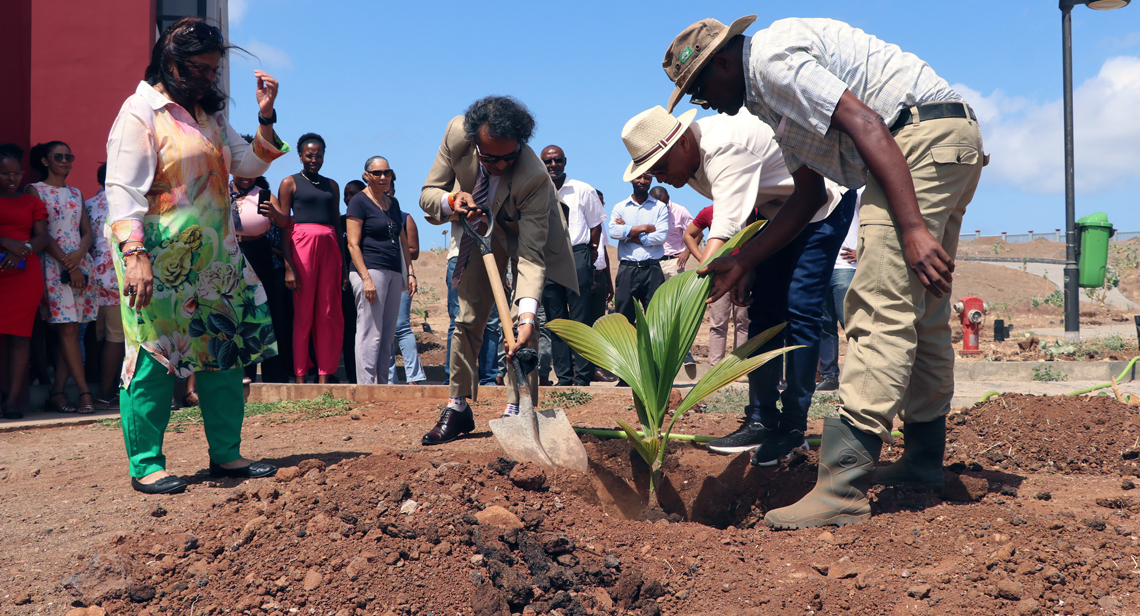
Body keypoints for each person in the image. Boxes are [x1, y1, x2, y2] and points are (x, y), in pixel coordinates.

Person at [662, 16, 985, 528]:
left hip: (914, 140)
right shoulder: (766, 99)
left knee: (879, 307)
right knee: (920, 312)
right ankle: (923, 460)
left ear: (724, 61)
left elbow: (868, 124)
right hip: (943, 138)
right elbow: (807, 195)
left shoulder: (770, 64)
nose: (703, 103)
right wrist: (744, 259)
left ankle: (842, 486)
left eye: (700, 88)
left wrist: (911, 227)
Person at [105, 17, 287, 494]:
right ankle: (146, 463)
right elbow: (122, 190)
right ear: (172, 63)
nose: (210, 78)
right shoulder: (140, 111)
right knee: (152, 356)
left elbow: (246, 164)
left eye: (214, 70)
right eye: (201, 69)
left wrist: (265, 116)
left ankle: (226, 455)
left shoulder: (208, 115)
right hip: (159, 262)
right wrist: (135, 254)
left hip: (215, 263)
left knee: (222, 354)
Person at [620, 106, 853, 464]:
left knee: (800, 309)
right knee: (762, 311)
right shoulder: (691, 159)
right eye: (652, 172)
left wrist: (694, 291)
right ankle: (760, 418)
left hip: (822, 205)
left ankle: (792, 427)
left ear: (683, 143)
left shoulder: (723, 146)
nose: (660, 178)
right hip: (777, 212)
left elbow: (725, 224)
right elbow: (744, 207)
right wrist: (747, 265)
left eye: (661, 168)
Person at [418, 95, 576, 444]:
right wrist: (451, 201)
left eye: (509, 157)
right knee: (467, 319)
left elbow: (532, 256)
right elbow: (428, 194)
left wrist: (528, 315)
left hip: (523, 234)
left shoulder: (534, 176)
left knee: (523, 324)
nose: (501, 166)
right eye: (490, 158)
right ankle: (457, 406)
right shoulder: (456, 134)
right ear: (474, 142)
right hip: (477, 229)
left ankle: (519, 407)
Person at [28, 141, 98, 414]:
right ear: (45, 161)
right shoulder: (35, 190)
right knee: (67, 329)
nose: (66, 161)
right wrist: (70, 266)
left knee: (73, 329)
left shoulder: (75, 192)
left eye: (70, 156)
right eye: (59, 156)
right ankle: (84, 392)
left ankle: (57, 393)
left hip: (80, 264)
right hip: (54, 266)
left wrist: (80, 255)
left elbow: (87, 231)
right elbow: (42, 233)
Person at [276, 133, 344, 384]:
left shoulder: (332, 185)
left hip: (330, 247)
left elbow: (337, 223)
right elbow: (284, 225)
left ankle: (325, 374)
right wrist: (288, 266)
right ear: (301, 156)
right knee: (303, 314)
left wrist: (344, 265)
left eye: (319, 155)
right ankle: (301, 376)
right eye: (309, 155)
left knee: (328, 313)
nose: (314, 159)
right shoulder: (289, 182)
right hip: (301, 246)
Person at [345, 156, 416, 384]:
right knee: (370, 332)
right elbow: (352, 244)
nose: (383, 177)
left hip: (394, 271)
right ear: (367, 175)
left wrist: (411, 272)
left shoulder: (392, 204)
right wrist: (366, 279)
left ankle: (382, 385)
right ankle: (366, 386)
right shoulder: (358, 201)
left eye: (387, 172)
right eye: (378, 173)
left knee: (387, 335)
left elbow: (403, 240)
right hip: (370, 270)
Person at [538, 145, 604, 386]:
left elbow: (596, 224)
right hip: (549, 259)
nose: (552, 165)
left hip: (577, 255)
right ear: (542, 163)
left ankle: (583, 376)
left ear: (565, 162)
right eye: (547, 161)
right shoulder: (537, 190)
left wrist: (591, 253)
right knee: (556, 322)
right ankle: (564, 377)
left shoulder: (583, 189)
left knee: (579, 319)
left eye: (557, 161)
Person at [231, 151, 292, 384]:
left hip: (259, 254)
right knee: (237, 312)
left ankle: (273, 374)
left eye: (252, 171)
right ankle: (241, 371)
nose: (248, 176)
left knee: (265, 311)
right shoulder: (220, 190)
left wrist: (275, 213)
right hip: (230, 254)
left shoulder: (264, 194)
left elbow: (285, 222)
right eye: (243, 170)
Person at [0, 144, 49, 419]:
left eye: (16, 174)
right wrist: (5, 241)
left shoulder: (31, 201)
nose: (12, 179)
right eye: (4, 174)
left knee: (20, 339)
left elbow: (42, 236)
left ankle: (12, 401)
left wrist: (25, 248)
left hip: (23, 275)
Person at [684, 204, 750, 366]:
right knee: (718, 322)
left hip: (745, 273)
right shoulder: (710, 211)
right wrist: (703, 260)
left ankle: (740, 367)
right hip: (718, 275)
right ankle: (715, 369)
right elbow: (688, 235)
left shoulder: (752, 210)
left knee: (743, 321)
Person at [84, 163, 126, 409]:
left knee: (92, 333)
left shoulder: (87, 204)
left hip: (90, 275)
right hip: (116, 276)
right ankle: (104, 392)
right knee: (116, 337)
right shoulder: (125, 205)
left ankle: (88, 384)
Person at [609, 173, 668, 330]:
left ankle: (654, 355)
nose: (642, 181)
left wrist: (628, 233)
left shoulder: (660, 207)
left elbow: (661, 237)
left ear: (651, 180)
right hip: (628, 269)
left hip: (653, 270)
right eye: (638, 177)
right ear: (631, 179)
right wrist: (644, 228)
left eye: (647, 178)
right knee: (623, 321)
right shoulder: (620, 207)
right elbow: (614, 233)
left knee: (657, 319)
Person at [649, 185, 696, 367]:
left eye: (664, 203)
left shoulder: (679, 211)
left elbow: (696, 231)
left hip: (674, 263)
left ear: (669, 197)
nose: (662, 206)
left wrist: (687, 252)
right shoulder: (647, 210)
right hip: (653, 263)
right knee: (654, 308)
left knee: (678, 307)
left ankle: (686, 352)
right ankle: (657, 353)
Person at [818, 199, 860, 392]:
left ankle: (861, 375)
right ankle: (829, 376)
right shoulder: (820, 184)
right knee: (824, 325)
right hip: (821, 266)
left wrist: (865, 251)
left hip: (846, 267)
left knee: (850, 323)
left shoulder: (859, 188)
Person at [388, 207, 426, 384]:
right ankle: (388, 380)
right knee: (383, 330)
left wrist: (388, 250)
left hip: (401, 274)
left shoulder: (404, 218)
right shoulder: (367, 216)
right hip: (377, 275)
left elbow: (414, 250)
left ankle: (414, 377)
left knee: (401, 326)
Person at [587, 189, 616, 383]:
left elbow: (604, 252)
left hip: (600, 278)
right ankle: (584, 369)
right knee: (584, 323)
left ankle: (596, 367)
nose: (600, 205)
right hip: (586, 278)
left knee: (598, 324)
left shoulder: (602, 225)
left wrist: (609, 283)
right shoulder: (583, 223)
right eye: (597, 202)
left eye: (602, 203)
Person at [340, 180, 365, 383]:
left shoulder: (370, 220)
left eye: (353, 194)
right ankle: (352, 378)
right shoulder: (339, 222)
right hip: (345, 285)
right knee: (349, 332)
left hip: (368, 282)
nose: (348, 198)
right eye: (346, 195)